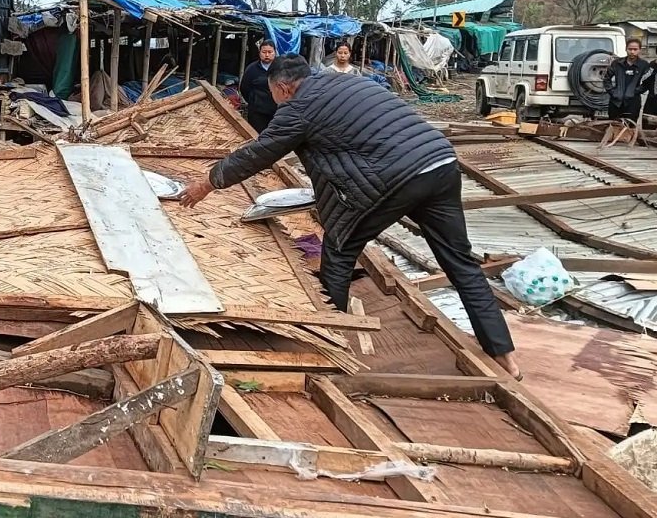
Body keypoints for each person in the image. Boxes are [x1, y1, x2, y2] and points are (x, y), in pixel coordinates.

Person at [179, 55, 520, 379]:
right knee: (460, 262)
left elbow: (258, 153)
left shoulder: (298, 107)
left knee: (340, 250)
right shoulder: (352, 83)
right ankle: (504, 356)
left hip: (397, 179)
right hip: (440, 163)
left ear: (283, 88)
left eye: (274, 96)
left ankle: (330, 342)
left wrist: (208, 183)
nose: (276, 103)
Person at [603, 38, 648, 121]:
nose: (632, 52)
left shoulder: (643, 65)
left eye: (635, 49)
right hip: (616, 102)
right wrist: (613, 92)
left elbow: (647, 83)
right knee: (614, 126)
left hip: (633, 103)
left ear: (639, 50)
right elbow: (606, 79)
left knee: (630, 128)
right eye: (630, 49)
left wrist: (635, 92)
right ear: (626, 49)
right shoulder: (617, 63)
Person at [238, 40, 278, 132]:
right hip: (257, 113)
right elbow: (244, 88)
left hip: (276, 113)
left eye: (270, 52)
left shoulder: (280, 68)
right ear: (259, 53)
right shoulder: (252, 69)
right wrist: (254, 100)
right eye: (264, 52)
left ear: (275, 52)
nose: (267, 55)